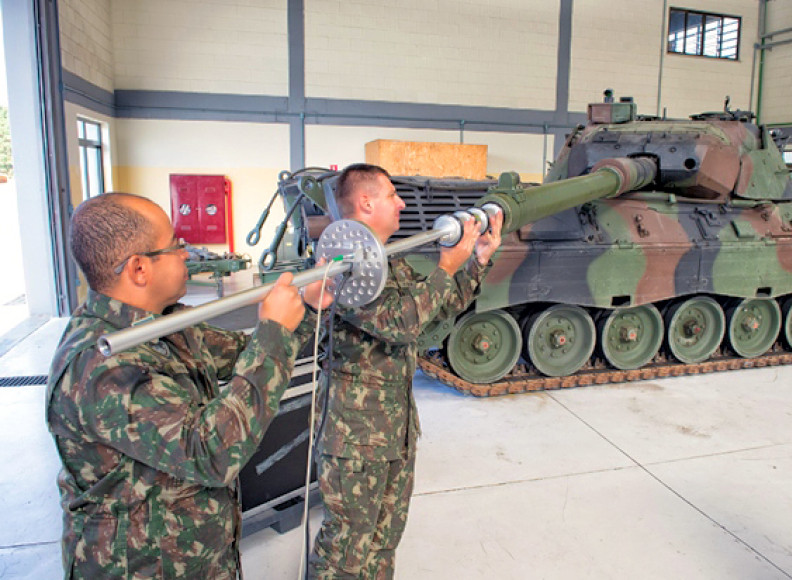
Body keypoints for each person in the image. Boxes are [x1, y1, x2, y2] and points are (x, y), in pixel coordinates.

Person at [46, 192, 333, 578]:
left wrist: (308, 308)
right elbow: (212, 453)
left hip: (199, 557)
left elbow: (244, 354)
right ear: (138, 269)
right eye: (175, 247)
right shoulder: (99, 368)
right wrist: (273, 333)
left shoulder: (160, 323)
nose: (186, 255)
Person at [310, 164, 503, 578]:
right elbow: (399, 324)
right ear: (365, 202)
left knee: (384, 540)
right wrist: (447, 266)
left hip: (394, 428)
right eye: (392, 194)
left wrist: (475, 264)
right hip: (355, 437)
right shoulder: (341, 262)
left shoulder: (388, 260)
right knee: (346, 548)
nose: (401, 203)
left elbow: (433, 313)